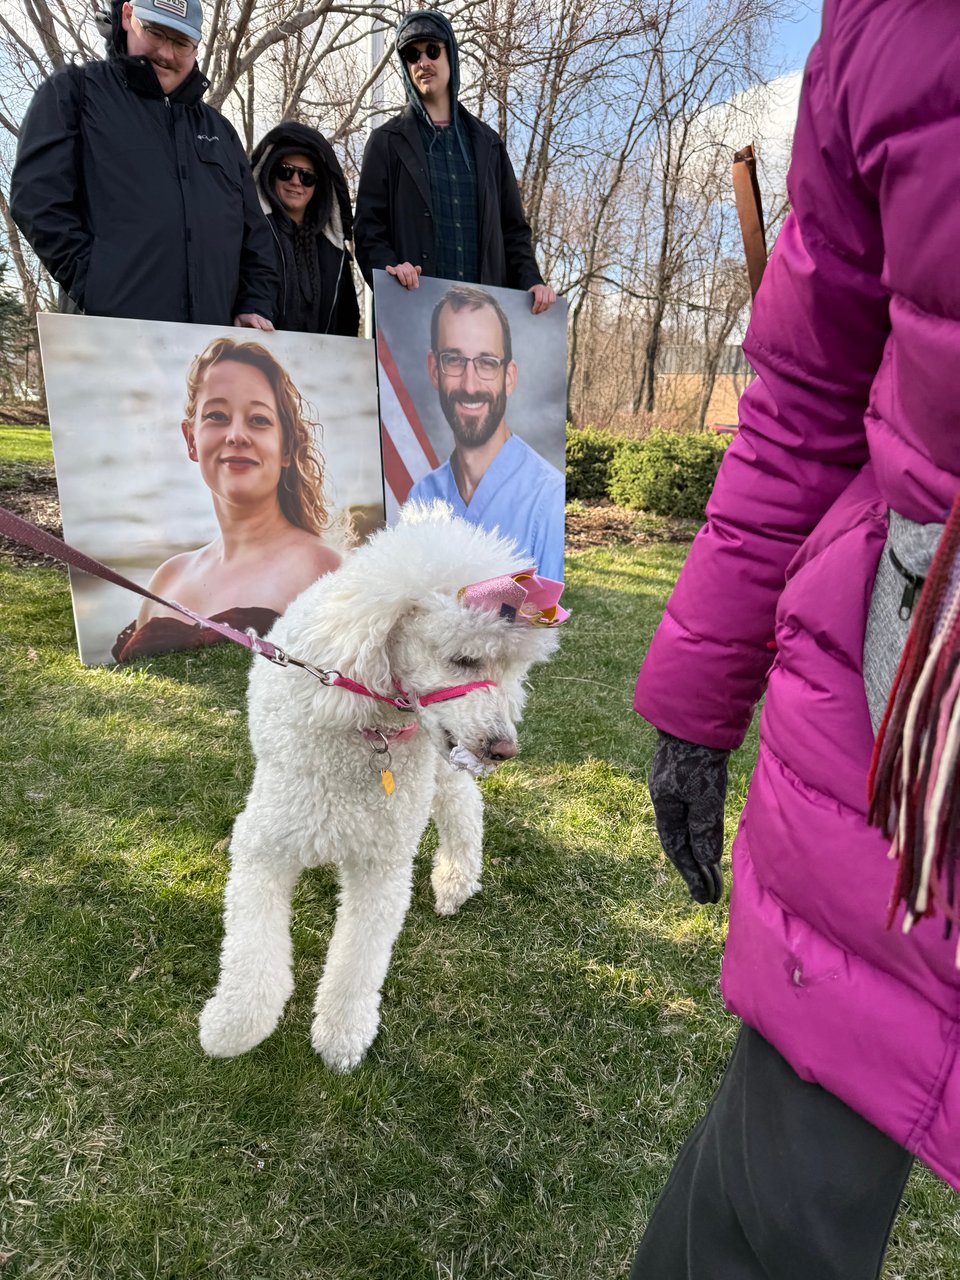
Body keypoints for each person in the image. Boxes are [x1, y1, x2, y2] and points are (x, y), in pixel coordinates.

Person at [629, 1, 960, 1276]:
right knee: (765, 1218)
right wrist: (697, 689)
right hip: (909, 713)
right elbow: (805, 398)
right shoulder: (883, 28)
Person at [10, 0, 277, 328]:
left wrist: (255, 303)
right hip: (112, 343)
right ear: (127, 16)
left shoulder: (220, 132)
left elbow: (256, 238)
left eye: (181, 43)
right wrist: (97, 287)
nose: (166, 53)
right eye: (155, 33)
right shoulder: (74, 94)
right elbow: (36, 202)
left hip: (210, 350)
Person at [112, 337, 340, 661]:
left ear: (287, 447)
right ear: (191, 440)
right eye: (217, 416)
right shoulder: (167, 578)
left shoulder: (324, 570)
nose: (236, 435)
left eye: (258, 420)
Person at [354, 9, 556, 315]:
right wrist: (390, 268)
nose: (422, 62)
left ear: (451, 54)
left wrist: (531, 280)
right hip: (412, 316)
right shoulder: (386, 142)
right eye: (411, 54)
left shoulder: (488, 144)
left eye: (432, 50)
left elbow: (513, 231)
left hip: (483, 321)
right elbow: (368, 231)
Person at [406, 284, 564, 581]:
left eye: (487, 363)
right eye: (453, 360)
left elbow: (549, 623)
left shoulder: (549, 499)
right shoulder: (421, 496)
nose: (470, 385)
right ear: (434, 370)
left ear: (509, 377)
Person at [250, 122, 360, 337]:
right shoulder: (250, 237)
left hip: (321, 365)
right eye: (285, 171)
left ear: (318, 186)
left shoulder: (333, 250)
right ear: (270, 173)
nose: (295, 182)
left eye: (307, 176)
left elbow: (347, 321)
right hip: (263, 364)